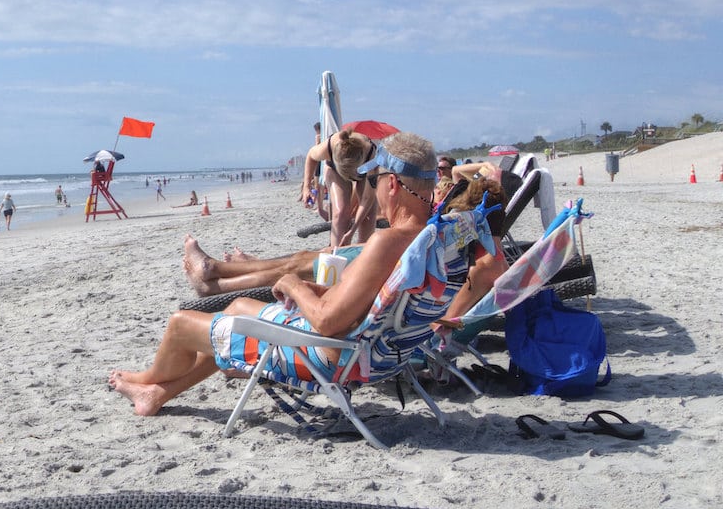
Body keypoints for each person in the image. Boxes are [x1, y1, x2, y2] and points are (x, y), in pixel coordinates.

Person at [110, 134, 443, 416]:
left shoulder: (387, 242)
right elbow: (359, 302)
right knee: (237, 307)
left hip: (325, 356)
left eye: (374, 180)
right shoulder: (431, 238)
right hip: (375, 353)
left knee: (180, 324)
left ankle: (148, 379)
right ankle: (156, 395)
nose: (371, 188)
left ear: (394, 184)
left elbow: (328, 323)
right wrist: (311, 287)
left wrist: (295, 285)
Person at [182, 172, 505, 298]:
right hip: (382, 278)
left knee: (297, 266)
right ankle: (222, 272)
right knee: (304, 260)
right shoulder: (470, 246)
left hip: (370, 291)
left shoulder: (481, 261)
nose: (442, 194)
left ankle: (216, 280)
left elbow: (445, 319)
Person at [298, 128, 378, 248]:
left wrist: (352, 231)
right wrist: (306, 188)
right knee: (340, 212)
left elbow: (367, 198)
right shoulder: (329, 147)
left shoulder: (371, 154)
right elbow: (311, 156)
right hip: (335, 171)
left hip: (363, 173)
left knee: (369, 216)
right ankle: (336, 252)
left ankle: (363, 252)